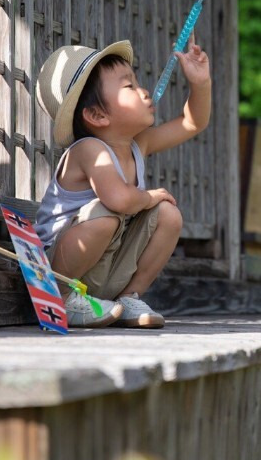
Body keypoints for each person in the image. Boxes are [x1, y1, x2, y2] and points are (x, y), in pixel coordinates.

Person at [34, 36, 211, 328]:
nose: (143, 91)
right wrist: (151, 196)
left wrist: (200, 83)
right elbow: (118, 199)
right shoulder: (89, 151)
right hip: (56, 271)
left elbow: (193, 123)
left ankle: (128, 297)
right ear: (97, 114)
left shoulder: (137, 145)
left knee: (168, 215)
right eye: (129, 86)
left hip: (103, 268)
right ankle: (62, 299)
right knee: (106, 216)